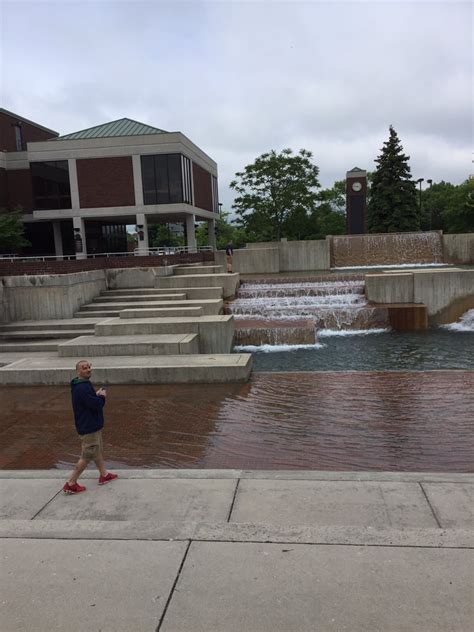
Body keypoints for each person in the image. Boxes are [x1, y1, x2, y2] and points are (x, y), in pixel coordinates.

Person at [63, 360, 118, 494]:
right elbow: (95, 405)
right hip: (89, 426)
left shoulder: (80, 384)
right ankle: (71, 483)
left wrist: (95, 395)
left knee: (96, 450)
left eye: (89, 367)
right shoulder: (82, 388)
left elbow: (88, 401)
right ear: (78, 371)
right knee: (87, 455)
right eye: (84, 368)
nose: (88, 369)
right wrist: (102, 397)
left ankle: (104, 475)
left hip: (90, 424)